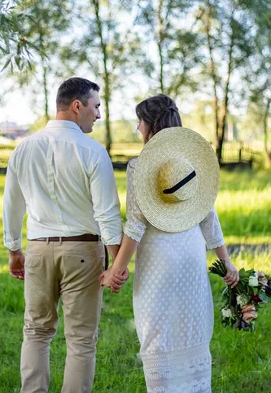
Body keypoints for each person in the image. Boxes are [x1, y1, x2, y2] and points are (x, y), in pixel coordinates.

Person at [100, 94, 239, 393]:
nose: (138, 128)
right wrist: (227, 261)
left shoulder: (141, 166)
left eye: (140, 121)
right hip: (190, 253)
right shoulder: (192, 163)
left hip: (158, 259)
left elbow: (136, 224)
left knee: (157, 331)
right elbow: (208, 216)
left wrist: (116, 270)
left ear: (151, 124)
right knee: (189, 324)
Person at [3, 77, 128, 393]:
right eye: (96, 106)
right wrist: (117, 263)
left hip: (38, 251)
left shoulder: (24, 148)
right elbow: (108, 214)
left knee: (36, 331)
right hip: (83, 253)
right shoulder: (93, 152)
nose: (98, 114)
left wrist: (14, 250)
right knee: (81, 340)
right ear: (77, 106)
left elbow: (12, 205)